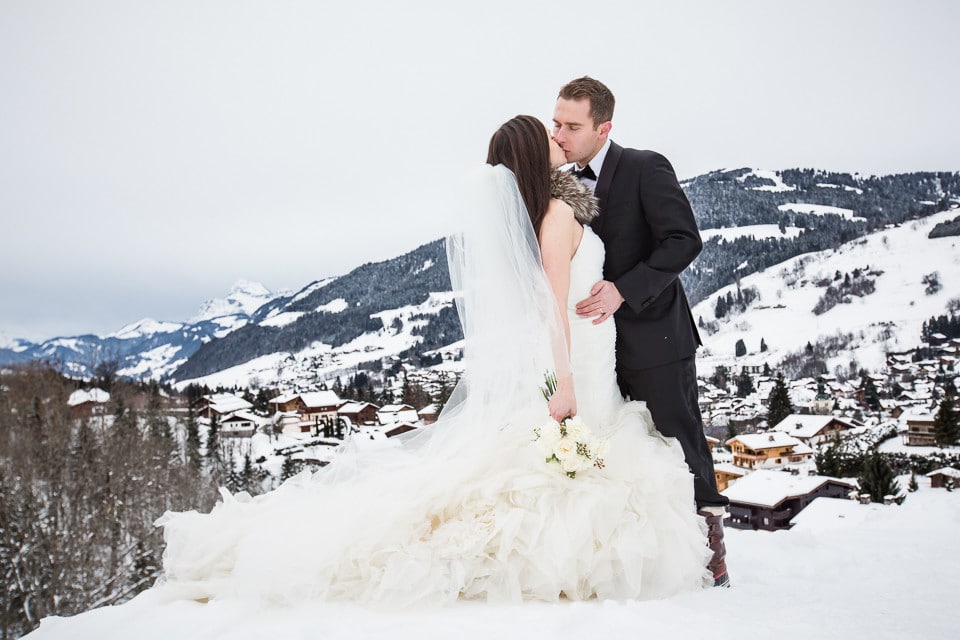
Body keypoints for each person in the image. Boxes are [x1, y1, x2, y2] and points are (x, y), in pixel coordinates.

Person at [155, 116, 710, 607]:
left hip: (591, 353)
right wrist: (562, 381)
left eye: (565, 127)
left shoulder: (544, 210)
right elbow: (550, 311)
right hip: (576, 360)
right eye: (550, 133)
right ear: (533, 154)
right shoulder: (559, 213)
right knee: (572, 470)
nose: (558, 136)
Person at [552, 77, 731, 587]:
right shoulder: (562, 180)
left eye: (572, 125)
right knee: (628, 451)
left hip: (656, 338)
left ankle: (711, 553)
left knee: (680, 440)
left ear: (603, 127)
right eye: (556, 122)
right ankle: (651, 558)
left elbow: (683, 241)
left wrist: (623, 291)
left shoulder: (644, 166)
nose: (560, 133)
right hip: (596, 349)